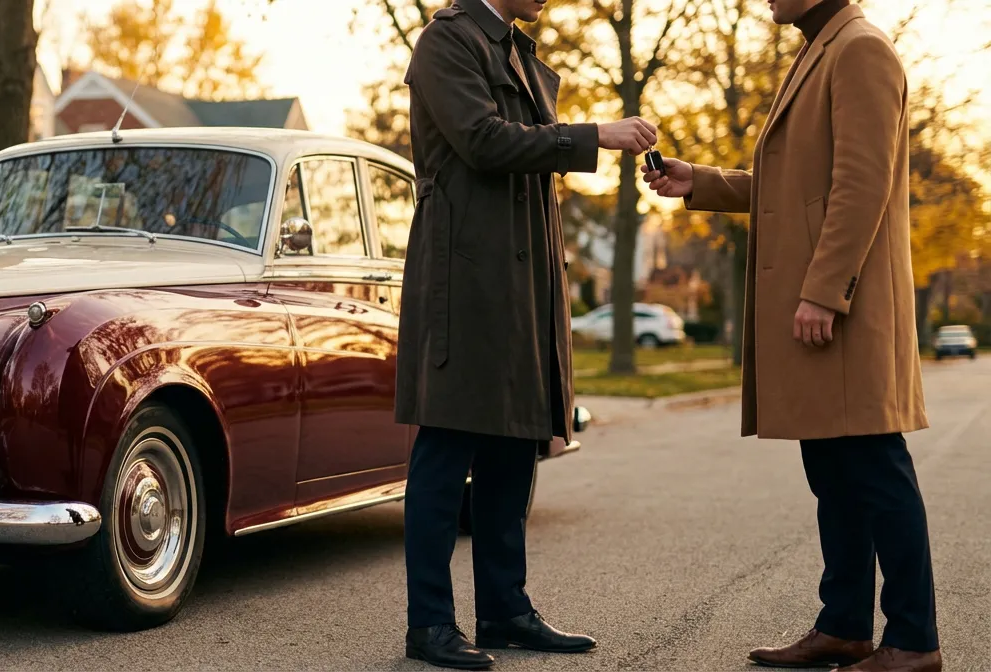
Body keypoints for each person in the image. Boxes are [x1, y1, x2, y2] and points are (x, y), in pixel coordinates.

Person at [643, 1, 938, 670]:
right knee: (833, 472)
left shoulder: (861, 49)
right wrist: (704, 182)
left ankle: (914, 640)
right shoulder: (818, 49)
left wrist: (822, 291)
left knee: (875, 469)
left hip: (843, 307)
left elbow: (860, 186)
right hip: (826, 305)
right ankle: (844, 626)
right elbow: (797, 184)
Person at [396, 0, 658, 668]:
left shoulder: (517, 49)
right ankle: (429, 624)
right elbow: (483, 140)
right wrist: (594, 134)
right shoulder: (445, 44)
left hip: (522, 282)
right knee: (446, 449)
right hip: (465, 282)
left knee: (512, 450)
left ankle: (505, 612)